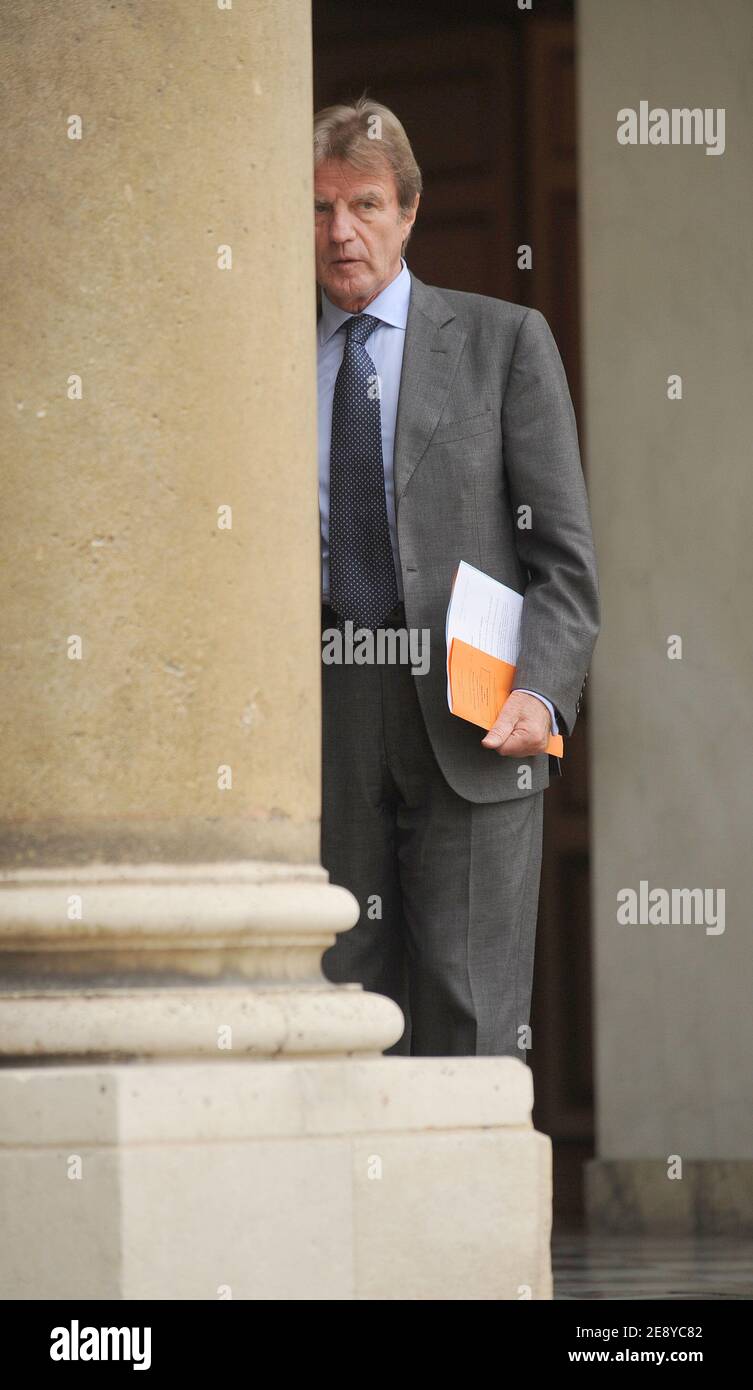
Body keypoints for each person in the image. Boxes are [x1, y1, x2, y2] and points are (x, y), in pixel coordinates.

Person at [314, 96, 600, 1058]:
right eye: (318, 209)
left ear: (408, 210)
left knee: (469, 1012)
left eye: (363, 204)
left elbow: (563, 557)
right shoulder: (261, 360)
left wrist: (544, 695)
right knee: (331, 1006)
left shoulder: (502, 342)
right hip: (325, 711)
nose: (340, 231)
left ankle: (460, 1213)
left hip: (476, 717)